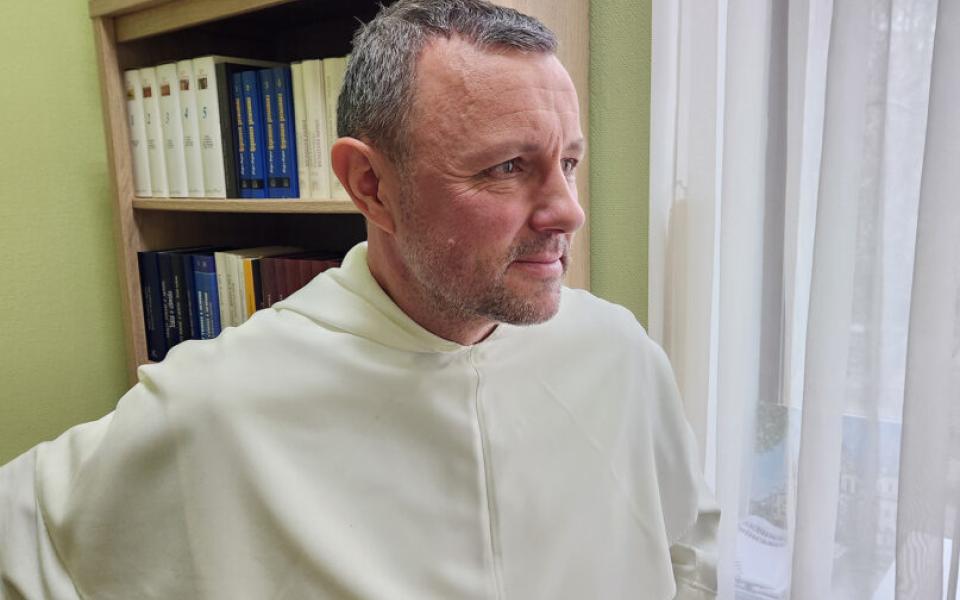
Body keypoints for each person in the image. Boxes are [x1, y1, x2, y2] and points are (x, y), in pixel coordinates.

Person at [0, 1, 718, 598]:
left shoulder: (618, 351)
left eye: (568, 162)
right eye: (509, 167)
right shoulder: (220, 400)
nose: (568, 211)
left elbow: (687, 548)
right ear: (370, 185)